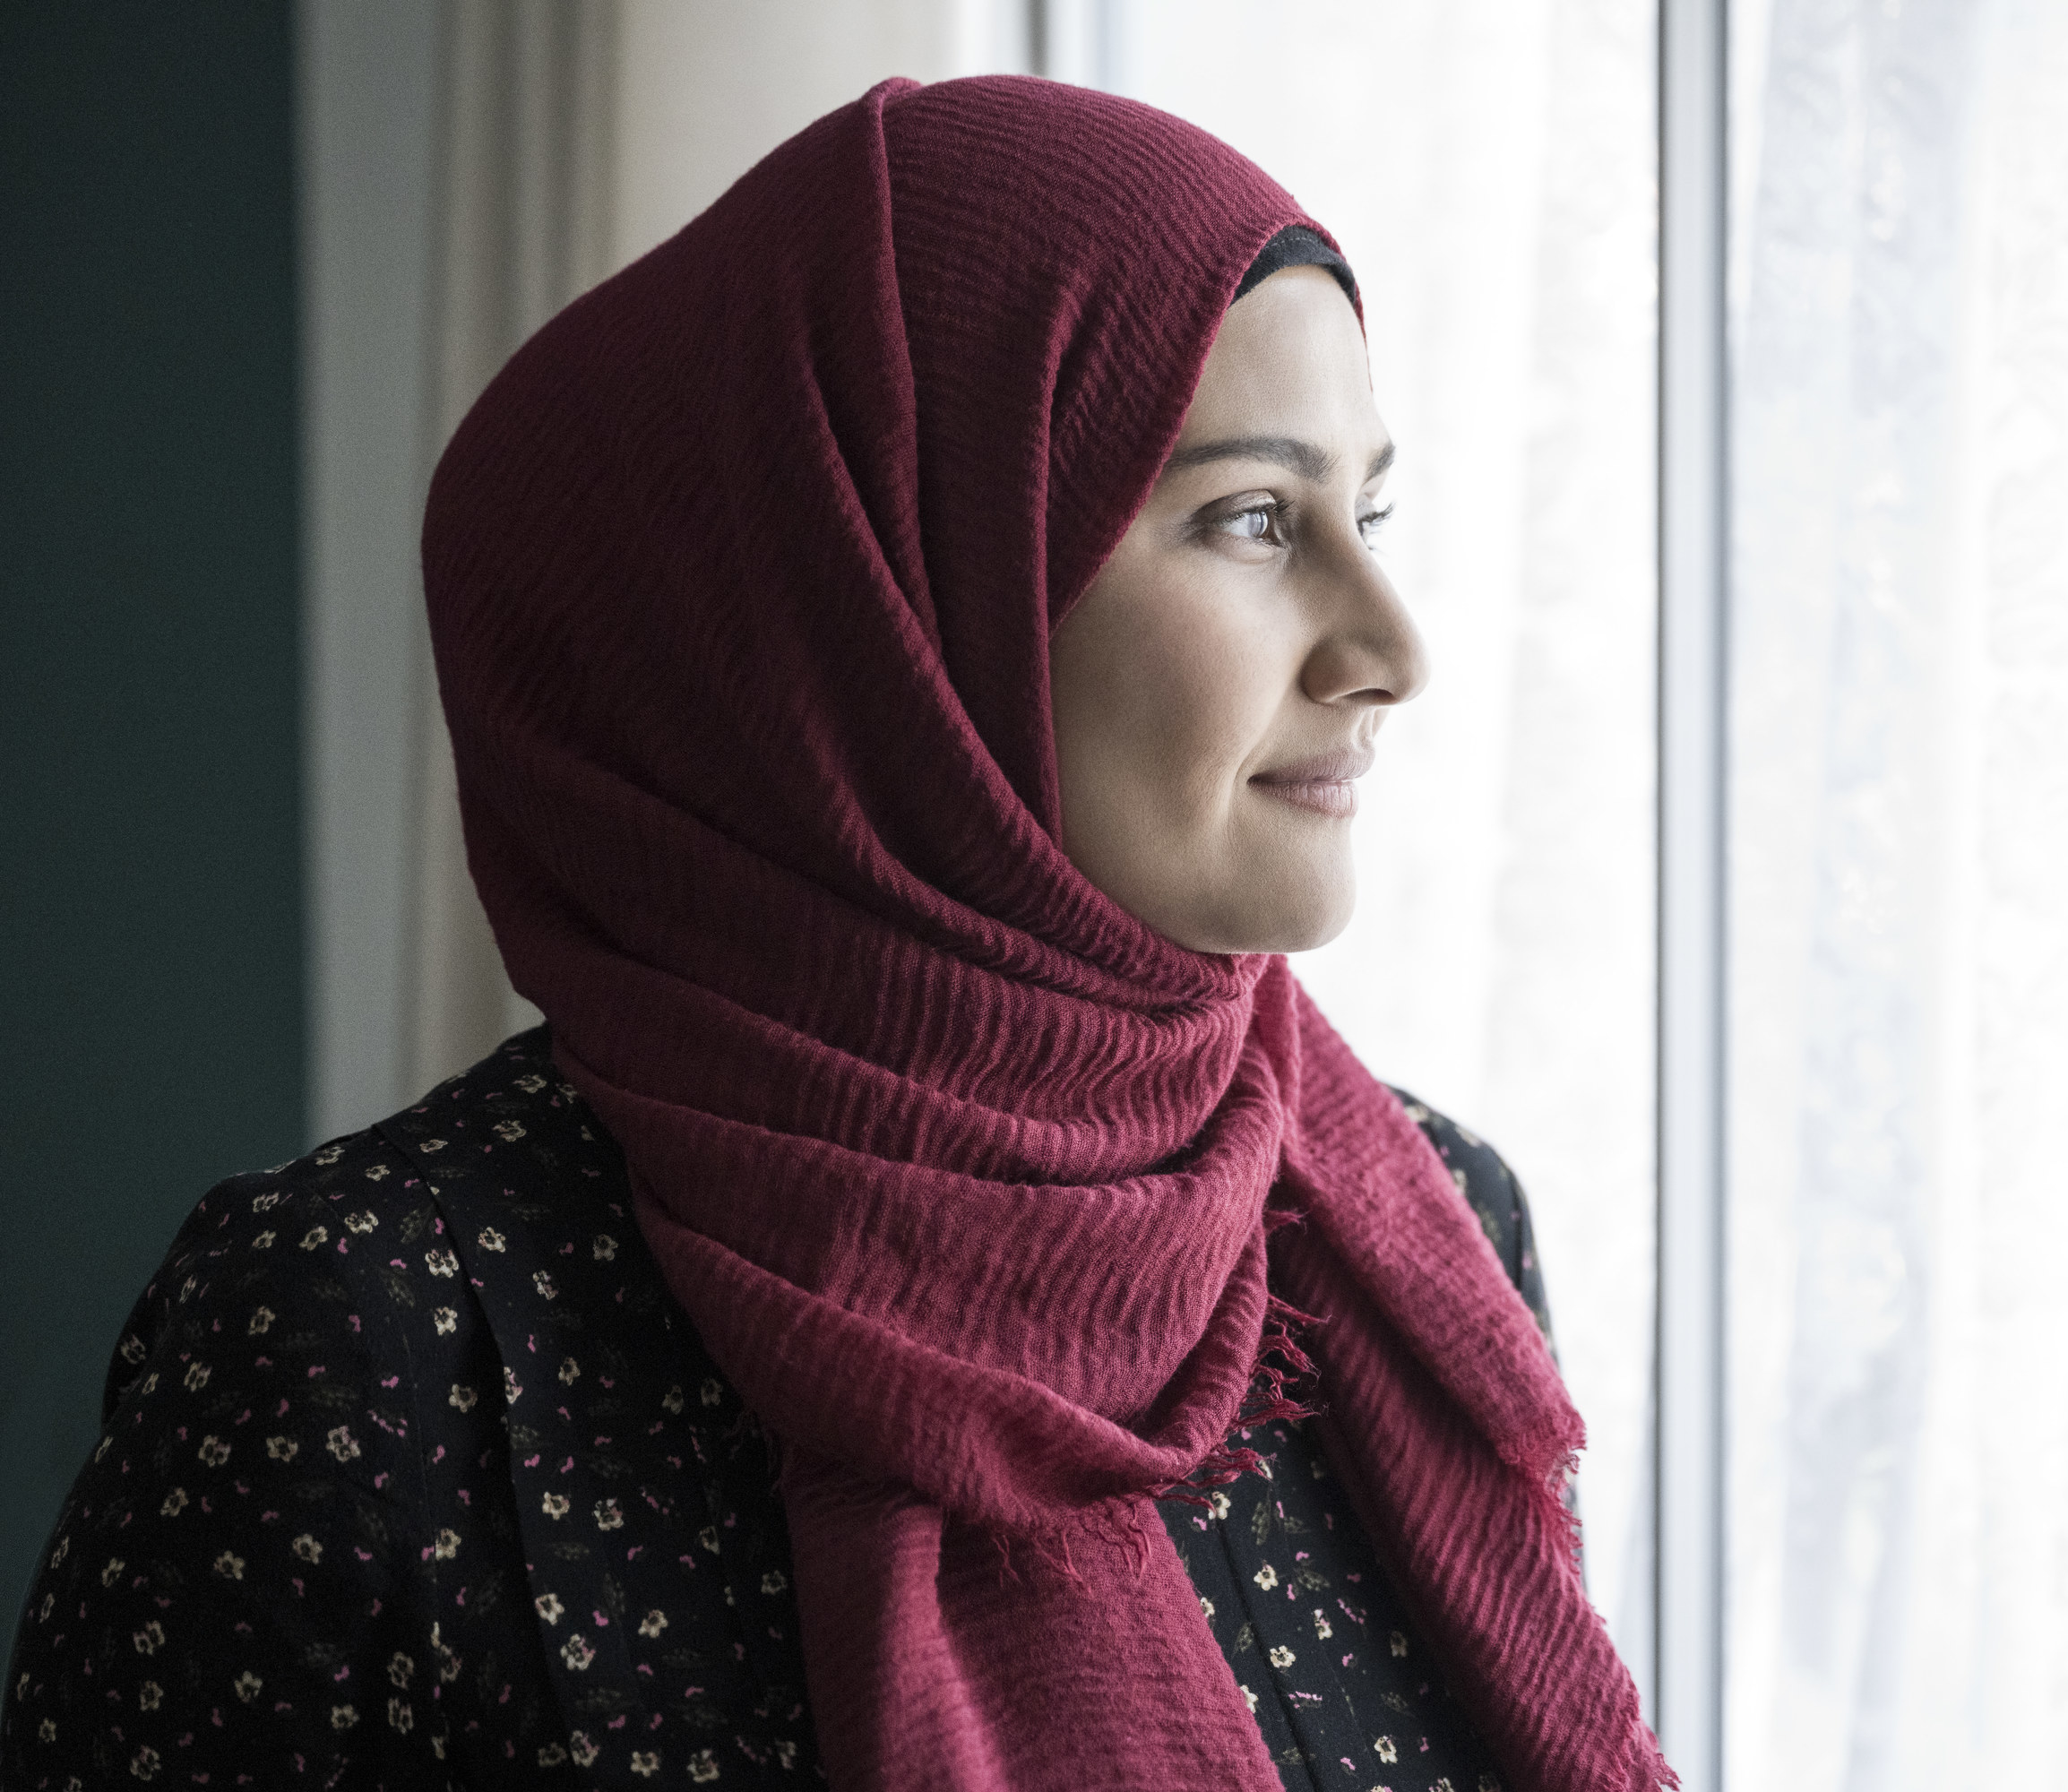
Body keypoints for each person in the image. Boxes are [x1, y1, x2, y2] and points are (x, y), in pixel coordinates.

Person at [2, 76, 1667, 1792]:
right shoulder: (383, 1344)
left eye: (1367, 515)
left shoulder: (1419, 1237)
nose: (1391, 645)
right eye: (1252, 519)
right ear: (887, 605)